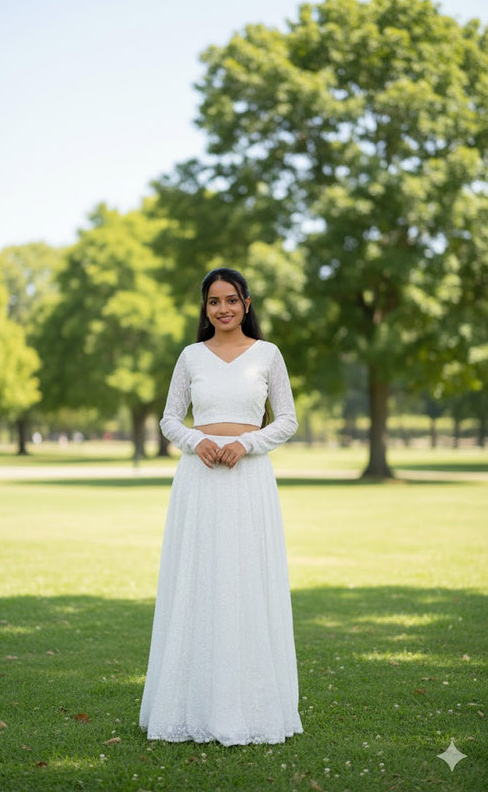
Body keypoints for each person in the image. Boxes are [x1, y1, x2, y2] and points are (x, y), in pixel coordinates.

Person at [139, 267, 303, 746]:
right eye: (214, 302)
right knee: (201, 578)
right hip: (202, 478)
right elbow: (171, 419)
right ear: (205, 308)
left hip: (249, 480)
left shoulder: (268, 355)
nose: (223, 309)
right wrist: (197, 441)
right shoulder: (191, 357)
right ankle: (193, 703)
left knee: (246, 579)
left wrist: (248, 445)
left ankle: (251, 705)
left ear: (247, 303)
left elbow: (288, 419)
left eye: (231, 299)